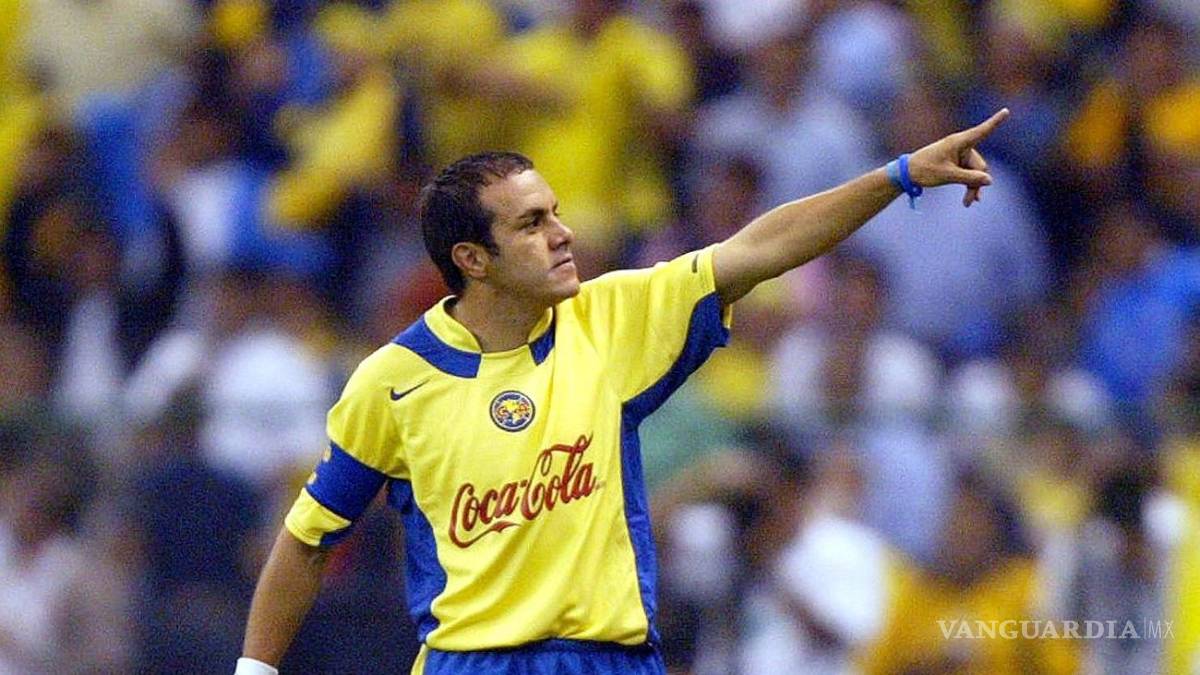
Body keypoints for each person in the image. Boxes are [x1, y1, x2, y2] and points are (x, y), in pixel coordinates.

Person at [236, 107, 1011, 675]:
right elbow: (309, 536)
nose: (563, 233)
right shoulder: (392, 380)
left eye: (556, 213)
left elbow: (761, 248)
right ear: (472, 258)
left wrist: (898, 176)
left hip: (610, 657)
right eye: (532, 223)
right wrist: (255, 669)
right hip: (472, 661)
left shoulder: (610, 317)